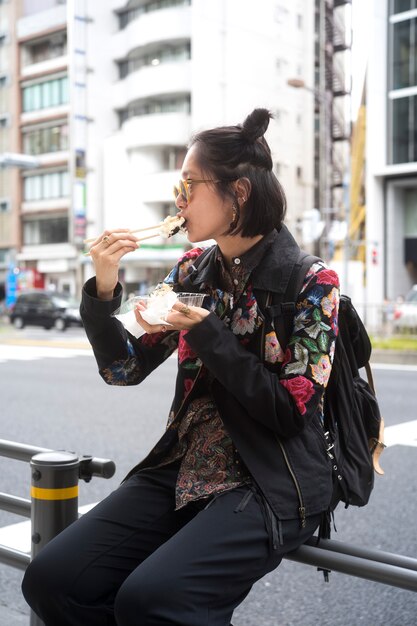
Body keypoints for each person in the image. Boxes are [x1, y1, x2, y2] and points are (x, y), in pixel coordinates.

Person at [22, 109, 340, 626]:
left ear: (238, 192)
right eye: (179, 185)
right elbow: (123, 369)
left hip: (268, 477)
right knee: (51, 579)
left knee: (151, 600)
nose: (179, 200)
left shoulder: (312, 283)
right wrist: (103, 290)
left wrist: (208, 333)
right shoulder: (192, 268)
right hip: (183, 467)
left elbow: (289, 411)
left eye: (189, 184)